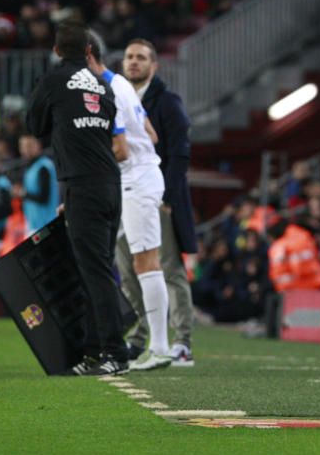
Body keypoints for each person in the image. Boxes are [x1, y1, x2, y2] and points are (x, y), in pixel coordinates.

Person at [25, 20, 127, 376]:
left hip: (83, 185)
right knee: (95, 269)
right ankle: (95, 351)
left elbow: (34, 126)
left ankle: (115, 353)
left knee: (94, 272)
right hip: (110, 185)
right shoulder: (103, 86)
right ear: (88, 52)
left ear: (56, 51)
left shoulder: (53, 81)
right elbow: (106, 129)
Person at [87, 33, 172, 372]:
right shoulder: (122, 85)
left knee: (146, 262)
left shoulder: (109, 90)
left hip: (135, 181)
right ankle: (135, 341)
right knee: (119, 261)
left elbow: (121, 149)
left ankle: (162, 347)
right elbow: (150, 134)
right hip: (133, 180)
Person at [119, 38, 197, 367]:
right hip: (125, 194)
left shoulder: (167, 101)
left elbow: (180, 153)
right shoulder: (120, 96)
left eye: (141, 57)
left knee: (167, 269)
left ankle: (181, 343)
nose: (133, 62)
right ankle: (140, 336)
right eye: (129, 56)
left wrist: (165, 195)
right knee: (127, 271)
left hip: (156, 197)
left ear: (155, 66)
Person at [17, 134, 58, 233]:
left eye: (29, 146)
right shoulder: (30, 168)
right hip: (33, 225)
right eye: (23, 147)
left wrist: (23, 193)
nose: (26, 150)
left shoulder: (44, 166)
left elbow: (43, 197)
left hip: (46, 225)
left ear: (38, 145)